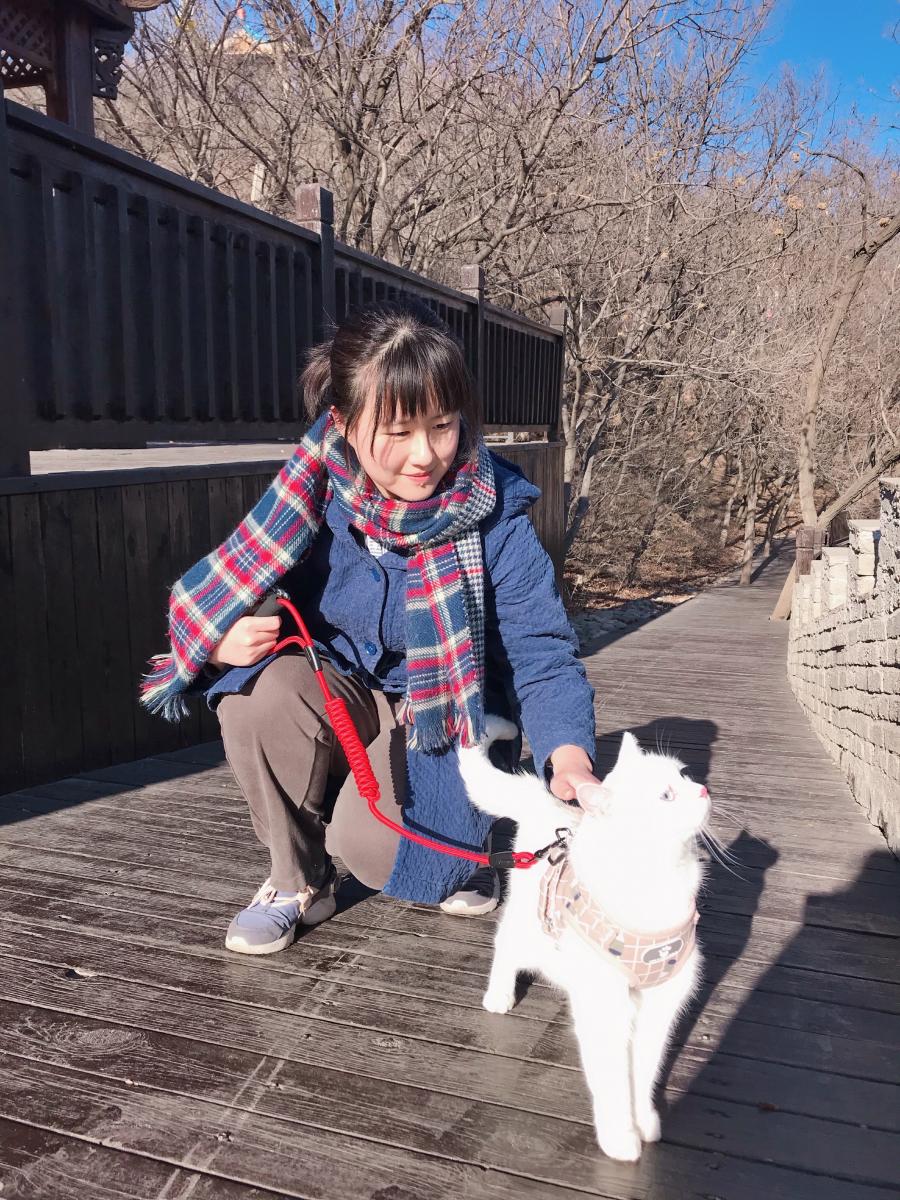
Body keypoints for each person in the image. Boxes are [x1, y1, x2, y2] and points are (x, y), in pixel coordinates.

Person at [140, 298, 599, 955]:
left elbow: (543, 654)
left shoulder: (494, 511)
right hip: (342, 687)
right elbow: (239, 587)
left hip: (448, 705)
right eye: (398, 431)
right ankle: (296, 880)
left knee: (383, 855)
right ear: (345, 424)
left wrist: (570, 761)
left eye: (443, 426)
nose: (425, 456)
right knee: (252, 695)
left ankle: (457, 844)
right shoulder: (311, 490)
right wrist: (216, 645)